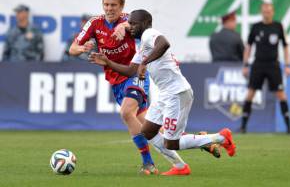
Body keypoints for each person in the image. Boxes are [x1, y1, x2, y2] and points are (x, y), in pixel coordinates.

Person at [89, 9, 236, 175]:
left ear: (145, 24)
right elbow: (131, 71)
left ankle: (221, 137)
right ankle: (180, 167)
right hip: (165, 94)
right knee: (148, 132)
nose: (130, 27)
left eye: (134, 24)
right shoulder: (143, 46)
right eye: (129, 23)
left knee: (172, 143)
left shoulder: (150, 34)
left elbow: (164, 43)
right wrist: (107, 61)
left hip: (177, 93)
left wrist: (145, 62)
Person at [69, 0, 198, 175]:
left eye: (113, 5)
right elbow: (73, 48)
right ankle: (197, 143)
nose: (109, 8)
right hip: (116, 80)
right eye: (106, 4)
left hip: (135, 75)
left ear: (122, 7)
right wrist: (81, 48)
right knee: (147, 126)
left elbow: (140, 27)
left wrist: (124, 26)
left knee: (126, 112)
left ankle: (148, 163)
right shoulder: (95, 23)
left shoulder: (130, 20)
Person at [240, 3, 290, 134]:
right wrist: (245, 65)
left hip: (273, 65)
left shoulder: (278, 26)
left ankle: (288, 128)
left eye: (269, 11)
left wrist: (287, 65)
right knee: (250, 93)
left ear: (273, 12)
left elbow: (285, 47)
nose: (267, 14)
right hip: (258, 64)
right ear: (261, 12)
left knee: (281, 94)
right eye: (264, 11)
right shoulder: (256, 27)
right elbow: (248, 47)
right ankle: (243, 127)